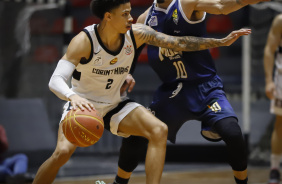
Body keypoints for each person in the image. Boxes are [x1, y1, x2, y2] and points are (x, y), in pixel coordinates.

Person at [31, 0, 251, 183]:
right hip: (83, 104)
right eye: (125, 13)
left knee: (158, 130)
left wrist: (219, 42)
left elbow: (179, 42)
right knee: (62, 153)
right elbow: (56, 80)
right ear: (108, 17)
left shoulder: (137, 33)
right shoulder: (84, 41)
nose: (131, 18)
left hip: (115, 104)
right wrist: (73, 96)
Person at [112, 0, 268, 184]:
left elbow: (221, 6)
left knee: (233, 133)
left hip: (205, 87)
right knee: (135, 134)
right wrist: (128, 72)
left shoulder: (186, 3)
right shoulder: (146, 17)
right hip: (173, 92)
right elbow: (133, 49)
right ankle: (119, 182)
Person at [264, 13, 282, 184]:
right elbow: (270, 49)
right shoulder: (280, 21)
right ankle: (275, 168)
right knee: (280, 123)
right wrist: (269, 80)